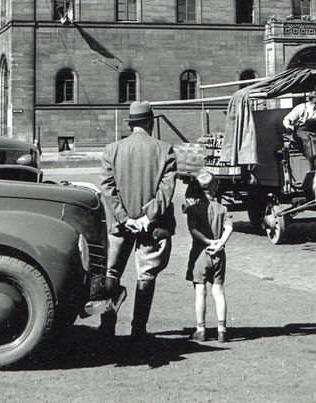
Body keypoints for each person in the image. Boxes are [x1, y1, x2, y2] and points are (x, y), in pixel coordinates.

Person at [98, 100, 177, 341]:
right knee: (147, 275)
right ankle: (138, 330)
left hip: (120, 226)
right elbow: (167, 190)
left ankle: (107, 325)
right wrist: (147, 216)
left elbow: (107, 188)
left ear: (131, 124)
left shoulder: (112, 150)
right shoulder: (165, 150)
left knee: (112, 272)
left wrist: (124, 217)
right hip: (153, 227)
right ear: (150, 122)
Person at [184, 169, 233, 342]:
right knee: (219, 291)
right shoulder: (222, 208)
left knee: (200, 291)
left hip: (200, 252)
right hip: (218, 254)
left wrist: (208, 241)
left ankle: (201, 329)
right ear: (215, 188)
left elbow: (193, 230)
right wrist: (220, 243)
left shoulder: (193, 210)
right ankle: (222, 330)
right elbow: (229, 227)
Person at [282, 89, 316, 159]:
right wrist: (289, 126)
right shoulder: (301, 108)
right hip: (300, 132)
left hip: (315, 132)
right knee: (308, 141)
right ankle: (312, 160)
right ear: (314, 100)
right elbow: (286, 119)